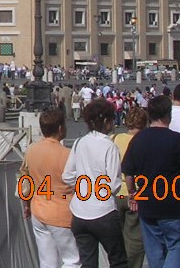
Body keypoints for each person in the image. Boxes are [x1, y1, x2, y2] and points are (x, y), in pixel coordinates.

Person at [122, 94, 180, 268]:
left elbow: (128, 172)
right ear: (168, 114)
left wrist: (132, 192)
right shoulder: (176, 140)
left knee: (154, 251)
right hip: (174, 204)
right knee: (179, 245)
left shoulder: (138, 139)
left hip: (147, 204)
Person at [62, 99, 127, 268]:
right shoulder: (109, 146)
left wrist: (83, 185)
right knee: (118, 260)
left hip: (80, 211)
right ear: (106, 121)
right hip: (103, 211)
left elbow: (67, 176)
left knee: (88, 262)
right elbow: (114, 185)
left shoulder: (79, 142)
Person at [20, 108, 79, 268]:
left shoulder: (31, 150)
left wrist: (26, 205)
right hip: (62, 213)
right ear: (60, 128)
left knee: (47, 261)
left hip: (38, 210)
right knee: (72, 260)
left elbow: (24, 181)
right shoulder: (67, 154)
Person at [112, 105, 147, 268]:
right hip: (135, 192)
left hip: (116, 192)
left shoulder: (113, 138)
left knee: (117, 239)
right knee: (135, 241)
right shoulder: (144, 141)